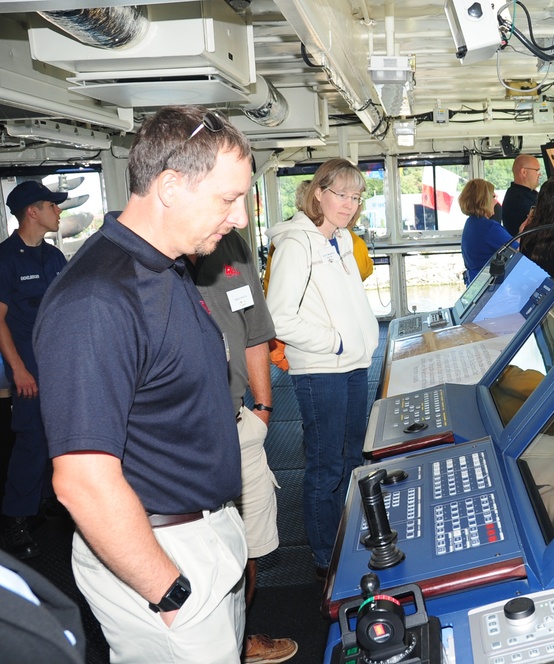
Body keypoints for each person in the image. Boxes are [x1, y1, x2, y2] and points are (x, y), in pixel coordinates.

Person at [34, 105, 253, 663]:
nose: (241, 218)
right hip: (161, 552)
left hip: (206, 534)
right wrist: (168, 589)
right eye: (228, 199)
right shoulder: (97, 300)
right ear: (171, 186)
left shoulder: (167, 267)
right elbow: (81, 481)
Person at [185, 232, 298, 663]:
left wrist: (264, 408)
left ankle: (241, 635)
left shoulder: (231, 245)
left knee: (249, 544)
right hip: (186, 440)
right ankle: (214, 646)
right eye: (228, 197)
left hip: (241, 424)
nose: (237, 216)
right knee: (200, 554)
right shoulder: (154, 259)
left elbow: (253, 332)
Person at [265, 158, 379, 580]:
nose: (348, 204)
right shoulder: (297, 244)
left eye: (355, 196)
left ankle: (346, 539)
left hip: (351, 366)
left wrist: (355, 344)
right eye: (340, 195)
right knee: (325, 466)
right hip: (321, 370)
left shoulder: (341, 241)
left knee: (350, 459)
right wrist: (335, 342)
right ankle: (325, 557)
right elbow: (278, 317)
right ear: (318, 194)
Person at [0, 181, 68, 560]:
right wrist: (19, 369)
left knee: (55, 438)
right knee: (31, 441)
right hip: (28, 367)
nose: (58, 212)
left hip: (58, 366)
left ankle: (45, 500)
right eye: (52, 206)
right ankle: (16, 518)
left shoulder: (55, 257)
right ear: (32, 211)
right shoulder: (6, 259)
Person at [460, 179, 514, 284]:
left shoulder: (471, 223)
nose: (496, 201)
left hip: (474, 283)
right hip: (489, 286)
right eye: (493, 197)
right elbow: (518, 250)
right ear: (484, 200)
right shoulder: (489, 228)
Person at [501, 154, 541, 236]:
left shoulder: (528, 193)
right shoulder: (516, 200)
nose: (539, 174)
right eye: (537, 170)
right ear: (524, 172)